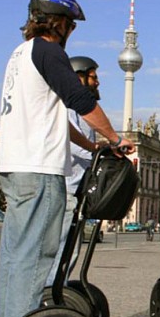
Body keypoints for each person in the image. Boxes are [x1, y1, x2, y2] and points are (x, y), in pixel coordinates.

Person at [0, 0, 134, 317]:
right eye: (70, 25)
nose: (71, 33)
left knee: (15, 255)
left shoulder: (20, 54)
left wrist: (93, 147)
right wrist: (115, 138)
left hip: (14, 164)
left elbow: (51, 114)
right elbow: (81, 101)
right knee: (38, 254)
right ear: (58, 24)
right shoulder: (49, 51)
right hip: (39, 168)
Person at [44, 56, 103, 287]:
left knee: (72, 251)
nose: (97, 83)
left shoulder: (84, 110)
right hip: (65, 187)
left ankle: (60, 290)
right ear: (79, 77)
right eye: (93, 77)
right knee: (61, 249)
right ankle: (50, 295)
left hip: (78, 189)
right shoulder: (67, 107)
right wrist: (98, 152)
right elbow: (71, 141)